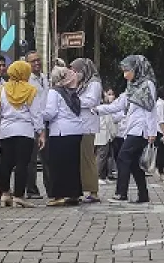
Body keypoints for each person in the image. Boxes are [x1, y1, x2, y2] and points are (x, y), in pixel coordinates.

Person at [95, 55, 159, 203]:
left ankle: (121, 193)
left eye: (127, 71)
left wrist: (151, 132)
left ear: (137, 69)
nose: (125, 75)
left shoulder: (147, 84)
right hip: (132, 129)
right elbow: (118, 105)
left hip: (141, 129)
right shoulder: (132, 86)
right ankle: (143, 195)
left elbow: (150, 109)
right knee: (134, 163)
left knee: (123, 158)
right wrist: (97, 109)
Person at [0, 60, 43, 207]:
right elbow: (36, 114)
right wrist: (41, 132)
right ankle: (19, 196)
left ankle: (5, 193)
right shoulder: (31, 90)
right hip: (25, 131)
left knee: (5, 163)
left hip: (6, 131)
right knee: (22, 164)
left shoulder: (2, 89)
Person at [42, 64, 87, 206]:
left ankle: (59, 195)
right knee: (72, 164)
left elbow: (51, 112)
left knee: (57, 164)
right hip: (76, 131)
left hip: (60, 132)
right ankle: (74, 194)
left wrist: (37, 115)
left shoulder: (54, 92)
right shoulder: (72, 91)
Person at [68, 59, 102, 202]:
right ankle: (82, 189)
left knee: (88, 158)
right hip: (79, 126)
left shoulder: (94, 83)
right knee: (80, 159)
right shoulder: (83, 84)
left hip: (87, 126)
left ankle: (93, 191)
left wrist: (74, 101)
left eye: (76, 71)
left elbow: (92, 101)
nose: (75, 74)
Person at [24, 50, 47, 199]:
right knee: (31, 160)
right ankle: (31, 190)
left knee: (47, 159)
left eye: (38, 60)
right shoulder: (26, 80)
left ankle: (51, 189)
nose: (37, 63)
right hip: (31, 124)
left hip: (47, 122)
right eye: (33, 61)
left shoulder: (45, 78)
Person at [94, 90, 118, 182]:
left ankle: (103, 176)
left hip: (100, 135)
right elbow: (109, 123)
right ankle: (97, 177)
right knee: (101, 156)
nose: (108, 97)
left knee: (104, 156)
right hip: (104, 135)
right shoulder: (104, 108)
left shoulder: (97, 107)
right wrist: (113, 134)